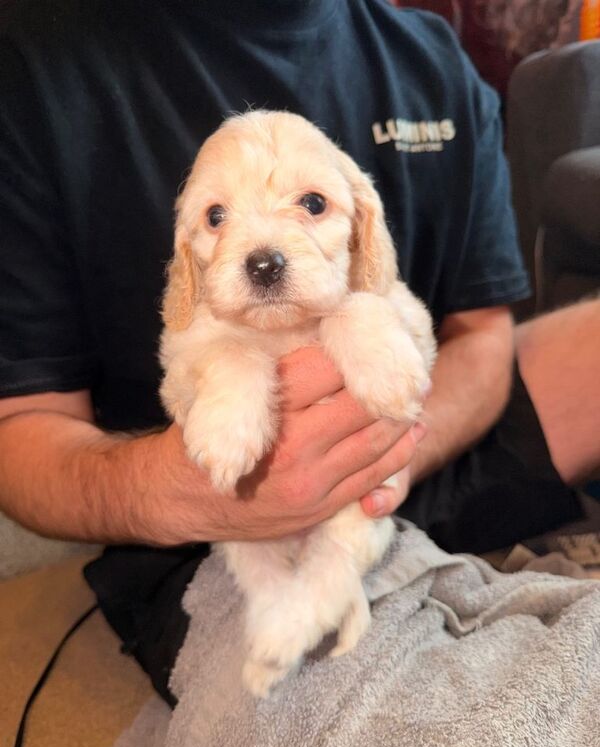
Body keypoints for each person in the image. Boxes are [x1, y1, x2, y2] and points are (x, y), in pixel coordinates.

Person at [0, 0, 598, 705]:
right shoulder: (35, 58)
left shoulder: (434, 56)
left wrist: (393, 448)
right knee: (372, 719)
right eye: (217, 219)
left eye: (310, 205)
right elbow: (20, 428)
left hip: (425, 436)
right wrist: (175, 488)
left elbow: (482, 330)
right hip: (215, 520)